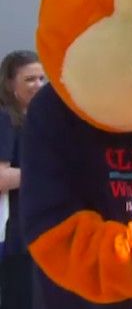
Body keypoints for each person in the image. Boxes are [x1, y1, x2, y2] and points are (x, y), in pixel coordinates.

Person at [0, 50, 46, 309]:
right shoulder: (6, 119)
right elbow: (2, 177)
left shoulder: (36, 120)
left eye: (41, 79)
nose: (38, 85)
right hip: (15, 236)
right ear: (9, 83)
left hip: (35, 234)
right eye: (30, 79)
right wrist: (45, 173)